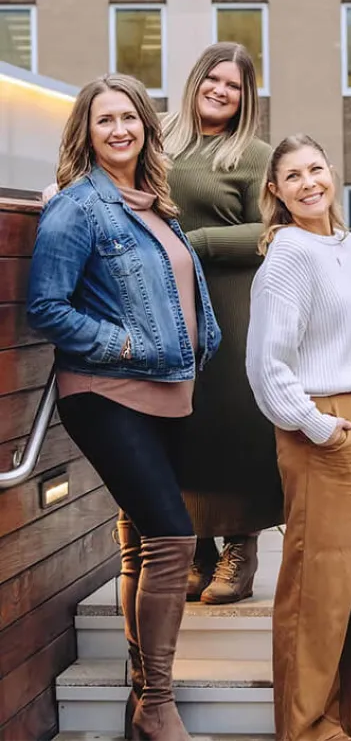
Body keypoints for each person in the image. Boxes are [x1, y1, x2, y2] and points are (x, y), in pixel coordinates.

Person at [27, 74, 221, 741]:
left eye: (129, 118)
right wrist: (126, 341)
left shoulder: (154, 204)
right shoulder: (77, 207)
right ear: (85, 131)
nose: (119, 130)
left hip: (171, 392)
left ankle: (139, 702)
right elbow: (47, 306)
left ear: (145, 127)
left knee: (141, 545)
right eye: (104, 119)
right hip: (105, 392)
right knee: (173, 538)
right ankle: (158, 703)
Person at [245, 134, 351, 741]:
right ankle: (310, 727)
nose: (309, 182)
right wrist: (314, 425)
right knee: (321, 585)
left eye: (316, 168)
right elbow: (266, 362)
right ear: (277, 192)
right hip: (327, 425)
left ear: (332, 172)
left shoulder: (350, 244)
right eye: (293, 176)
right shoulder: (287, 254)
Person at [161, 42, 279, 605]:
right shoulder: (157, 141)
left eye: (233, 85)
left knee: (235, 424)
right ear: (196, 80)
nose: (220, 90)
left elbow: (273, 231)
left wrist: (196, 244)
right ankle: (198, 549)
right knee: (180, 422)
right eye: (213, 78)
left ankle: (241, 547)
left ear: (244, 97)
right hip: (162, 303)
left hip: (232, 301)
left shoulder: (255, 156)